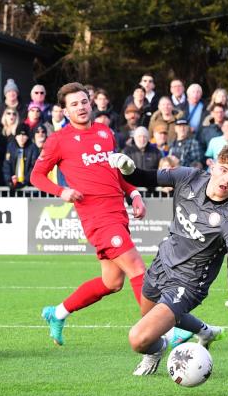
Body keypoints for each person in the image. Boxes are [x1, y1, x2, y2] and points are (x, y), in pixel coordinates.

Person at [108, 144, 228, 375]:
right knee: (150, 318)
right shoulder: (188, 177)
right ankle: (205, 332)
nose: (227, 179)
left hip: (188, 283)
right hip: (162, 264)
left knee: (139, 339)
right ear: (213, 166)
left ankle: (155, 350)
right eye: (224, 170)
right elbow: (143, 177)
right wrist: (127, 168)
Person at [30, 82, 147, 346]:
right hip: (97, 217)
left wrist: (134, 194)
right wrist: (61, 191)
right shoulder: (58, 140)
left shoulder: (105, 132)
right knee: (138, 268)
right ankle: (162, 329)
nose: (81, 107)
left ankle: (57, 313)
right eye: (74, 104)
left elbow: (115, 172)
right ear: (64, 111)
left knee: (112, 282)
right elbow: (36, 176)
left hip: (118, 213)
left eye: (84, 102)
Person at [3, 124, 37, 190]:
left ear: (27, 137)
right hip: (13, 185)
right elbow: (6, 165)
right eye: (19, 135)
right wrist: (10, 180)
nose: (21, 137)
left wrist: (24, 181)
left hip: (28, 188)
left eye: (24, 135)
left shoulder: (32, 148)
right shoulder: (11, 147)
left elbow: (33, 166)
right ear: (16, 136)